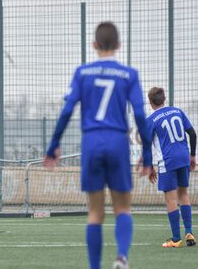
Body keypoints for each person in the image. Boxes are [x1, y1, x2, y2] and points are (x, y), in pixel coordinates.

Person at [43, 22, 152, 269]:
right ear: (118, 45)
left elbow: (67, 110)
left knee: (95, 212)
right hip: (117, 141)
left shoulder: (82, 73)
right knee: (123, 207)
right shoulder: (129, 74)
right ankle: (122, 257)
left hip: (91, 142)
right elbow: (140, 115)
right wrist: (146, 152)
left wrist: (53, 147)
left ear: (94, 45)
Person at [146, 87, 196, 247]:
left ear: (150, 101)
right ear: (164, 98)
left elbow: (146, 145)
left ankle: (176, 239)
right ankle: (189, 232)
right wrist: (193, 156)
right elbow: (193, 134)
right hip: (183, 157)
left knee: (171, 198)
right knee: (183, 195)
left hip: (168, 161)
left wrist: (149, 166)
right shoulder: (178, 111)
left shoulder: (151, 120)